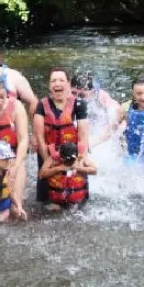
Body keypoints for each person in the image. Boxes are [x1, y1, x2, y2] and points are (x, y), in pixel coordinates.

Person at [34, 67, 90, 204]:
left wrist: (80, 161)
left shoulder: (79, 104)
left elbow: (83, 137)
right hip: (48, 153)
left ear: (68, 84)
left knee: (79, 195)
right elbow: (40, 138)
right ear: (49, 85)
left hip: (72, 153)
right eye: (53, 81)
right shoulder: (41, 105)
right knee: (45, 202)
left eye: (61, 80)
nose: (57, 84)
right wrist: (50, 165)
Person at [38, 141, 97, 210]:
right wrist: (58, 168)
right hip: (56, 200)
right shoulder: (53, 159)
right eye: (66, 160)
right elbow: (41, 174)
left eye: (72, 160)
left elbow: (95, 170)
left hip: (77, 200)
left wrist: (79, 168)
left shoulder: (81, 159)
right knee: (51, 208)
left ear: (77, 156)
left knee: (79, 209)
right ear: (60, 156)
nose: (69, 162)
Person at [71, 73, 119, 147]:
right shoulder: (66, 98)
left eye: (81, 95)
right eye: (73, 93)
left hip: (101, 137)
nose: (77, 98)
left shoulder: (101, 97)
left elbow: (117, 116)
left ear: (92, 92)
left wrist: (94, 142)